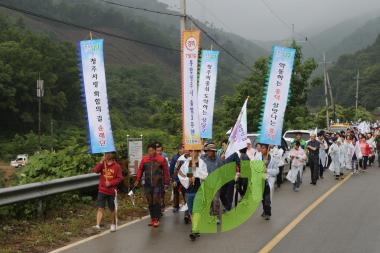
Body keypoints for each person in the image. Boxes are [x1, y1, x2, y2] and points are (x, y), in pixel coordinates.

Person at [134, 143, 169, 227]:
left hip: (158, 184)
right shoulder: (145, 159)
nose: (150, 152)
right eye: (149, 151)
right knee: (150, 202)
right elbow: (140, 170)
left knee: (156, 201)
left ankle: (156, 219)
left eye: (152, 150)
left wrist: (166, 182)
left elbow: (165, 172)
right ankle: (152, 218)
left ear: (155, 150)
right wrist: (137, 179)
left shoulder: (161, 159)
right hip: (148, 184)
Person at [177, 150, 208, 241]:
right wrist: (189, 178)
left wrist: (197, 174)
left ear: (198, 152)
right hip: (189, 190)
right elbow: (181, 174)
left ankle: (194, 230)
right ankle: (195, 228)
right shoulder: (187, 163)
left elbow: (205, 175)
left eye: (194, 151)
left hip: (199, 190)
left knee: (197, 210)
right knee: (191, 210)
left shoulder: (202, 163)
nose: (192, 153)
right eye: (190, 152)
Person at [92, 151, 122, 232]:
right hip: (102, 190)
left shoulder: (117, 166)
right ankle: (97, 225)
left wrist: (111, 183)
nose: (107, 155)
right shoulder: (102, 164)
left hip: (111, 191)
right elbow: (95, 170)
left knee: (112, 208)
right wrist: (101, 162)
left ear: (112, 155)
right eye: (106, 153)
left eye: (109, 153)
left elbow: (119, 178)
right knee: (100, 207)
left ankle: (113, 224)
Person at [202, 143, 223, 224]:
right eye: (207, 151)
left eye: (210, 151)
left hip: (216, 183)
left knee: (215, 200)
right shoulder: (204, 159)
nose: (208, 153)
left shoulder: (219, 160)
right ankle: (211, 215)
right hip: (206, 183)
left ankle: (216, 216)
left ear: (214, 151)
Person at [155, 142, 170, 214]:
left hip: (162, 180)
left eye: (160, 150)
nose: (159, 152)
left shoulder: (164, 157)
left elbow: (167, 169)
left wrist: (167, 182)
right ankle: (158, 209)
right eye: (157, 150)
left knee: (161, 194)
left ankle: (161, 205)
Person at [169, 144, 184, 212]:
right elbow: (172, 168)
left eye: (184, 148)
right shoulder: (175, 157)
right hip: (176, 178)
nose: (183, 150)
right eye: (182, 148)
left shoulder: (187, 157)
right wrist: (172, 179)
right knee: (176, 192)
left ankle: (187, 206)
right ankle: (176, 206)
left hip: (184, 178)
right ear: (179, 149)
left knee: (185, 193)